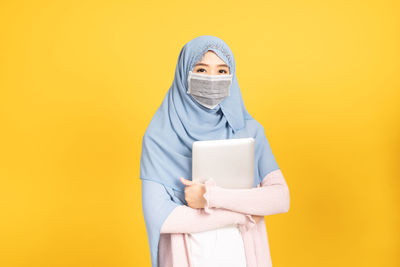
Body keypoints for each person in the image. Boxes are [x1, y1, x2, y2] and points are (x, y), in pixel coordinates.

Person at [140, 35, 290, 267]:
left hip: (244, 254)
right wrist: (243, 214)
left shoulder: (249, 130)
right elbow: (161, 216)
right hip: (186, 256)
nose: (212, 79)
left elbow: (280, 198)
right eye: (201, 69)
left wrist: (210, 197)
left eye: (222, 71)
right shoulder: (159, 136)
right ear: (184, 75)